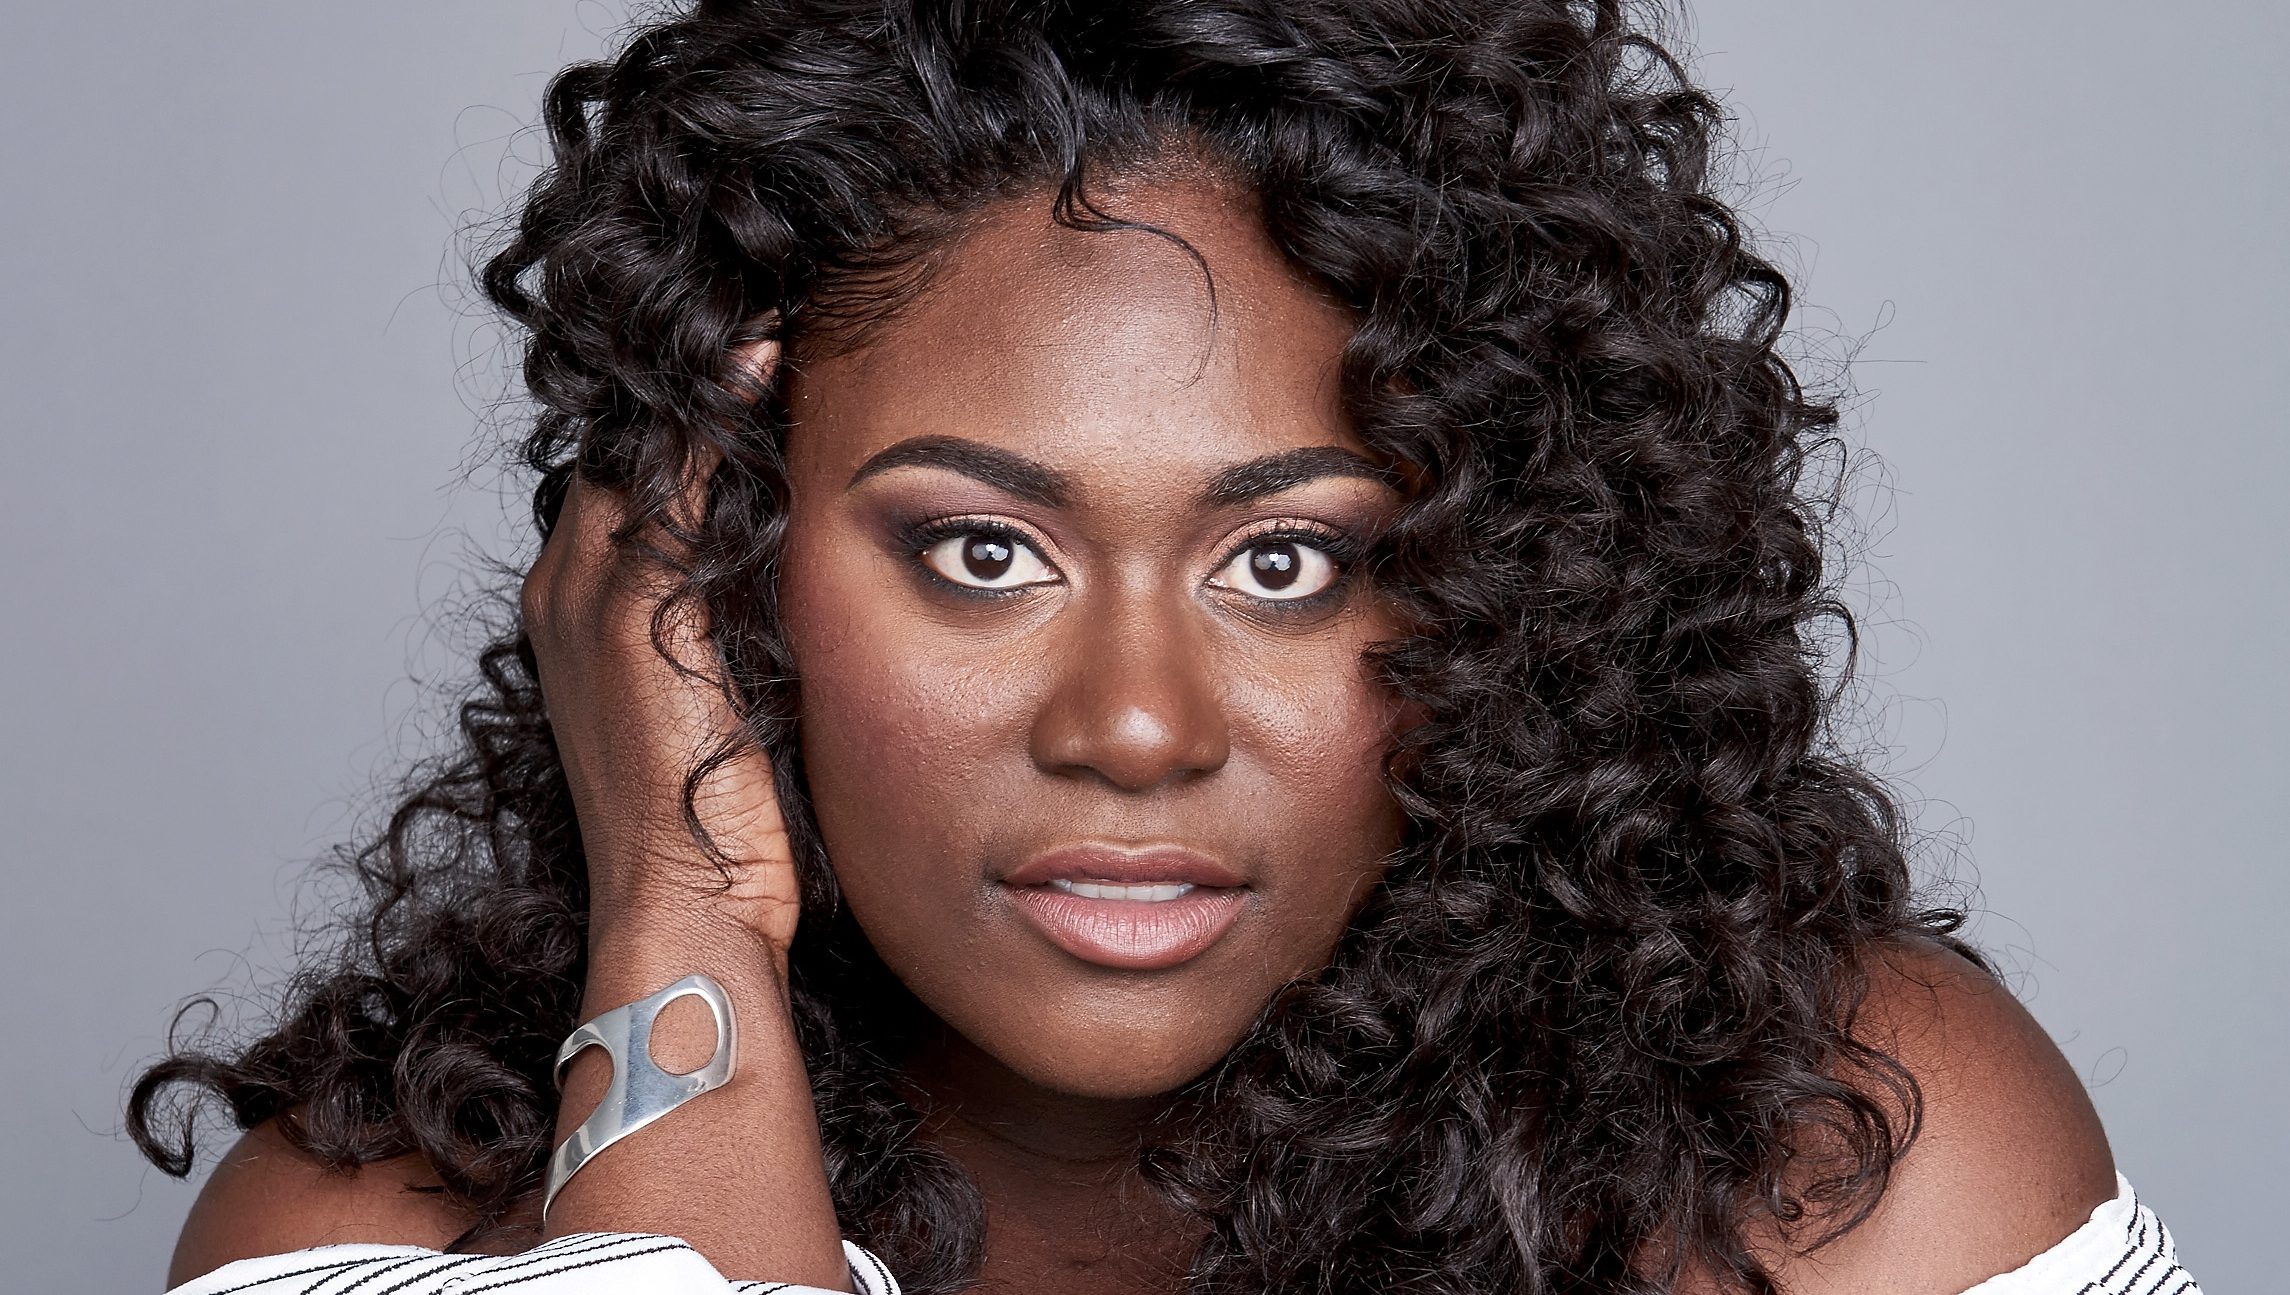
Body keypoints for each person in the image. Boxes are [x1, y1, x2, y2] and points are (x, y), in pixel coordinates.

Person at [129, 2, 2200, 1292]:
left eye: (1286, 567)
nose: (1133, 727)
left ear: (1511, 590)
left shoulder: (1836, 1165)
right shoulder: (375, 1244)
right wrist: (676, 917)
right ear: (716, 571)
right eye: (977, 554)